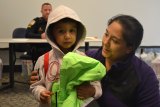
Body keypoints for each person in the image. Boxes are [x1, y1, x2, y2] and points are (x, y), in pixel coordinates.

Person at [30, 14, 160, 106]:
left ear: (129, 48)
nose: (106, 42)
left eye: (114, 40)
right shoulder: (87, 58)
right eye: (106, 34)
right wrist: (41, 81)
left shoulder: (145, 76)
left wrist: (94, 92)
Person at [30, 5, 103, 107]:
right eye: (61, 31)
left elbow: (95, 83)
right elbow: (36, 85)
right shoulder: (43, 60)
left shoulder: (84, 59)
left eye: (72, 31)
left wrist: (92, 90)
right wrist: (41, 93)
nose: (67, 36)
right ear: (52, 34)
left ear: (78, 32)